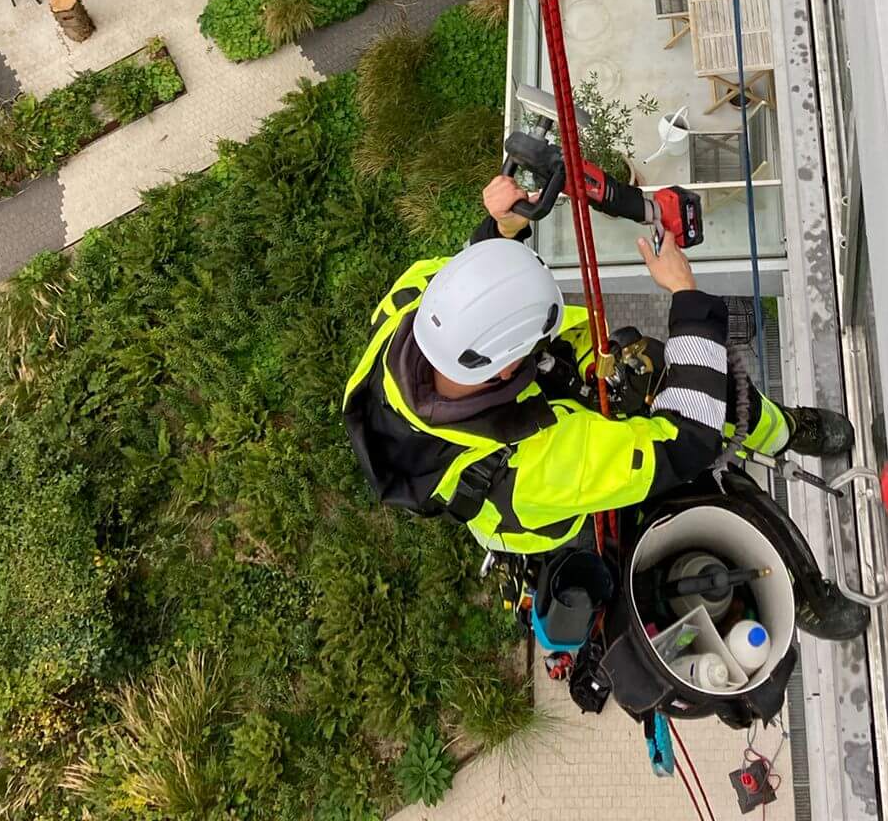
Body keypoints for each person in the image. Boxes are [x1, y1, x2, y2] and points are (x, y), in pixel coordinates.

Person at [343, 170, 857, 627]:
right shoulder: (537, 464)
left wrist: (501, 230)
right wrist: (689, 302)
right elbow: (685, 443)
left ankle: (785, 430)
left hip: (541, 404)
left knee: (688, 380)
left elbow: (475, 281)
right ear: (507, 366)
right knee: (681, 502)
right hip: (546, 503)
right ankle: (799, 590)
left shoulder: (415, 300)